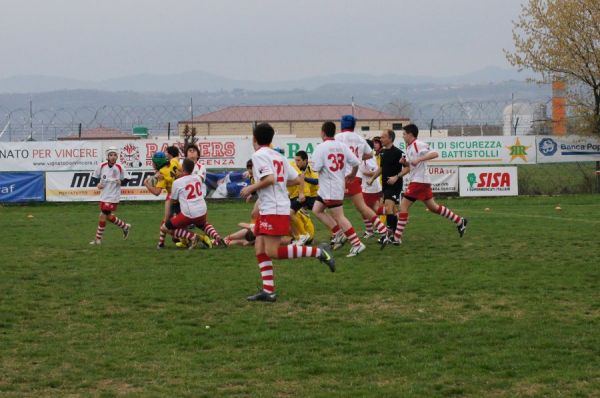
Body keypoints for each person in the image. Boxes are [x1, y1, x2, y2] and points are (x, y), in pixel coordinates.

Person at [240, 123, 335, 303]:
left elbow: (270, 178)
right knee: (259, 248)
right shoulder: (278, 155)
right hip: (272, 207)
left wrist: (251, 187)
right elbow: (295, 178)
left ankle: (319, 252)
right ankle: (269, 292)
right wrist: (280, 185)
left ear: (254, 139)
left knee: (273, 251)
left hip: (273, 208)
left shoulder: (258, 155)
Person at [392, 124, 468, 243]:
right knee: (433, 207)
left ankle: (396, 238)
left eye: (404, 134)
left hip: (419, 181)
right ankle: (460, 221)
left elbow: (435, 153)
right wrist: (405, 162)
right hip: (421, 181)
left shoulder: (418, 144)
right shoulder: (409, 147)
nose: (403, 136)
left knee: (403, 206)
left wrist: (419, 159)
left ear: (410, 134)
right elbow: (413, 165)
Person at [312, 121, 366, 257]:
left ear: (323, 133)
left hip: (330, 187)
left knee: (339, 216)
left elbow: (316, 168)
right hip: (333, 186)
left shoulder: (321, 147)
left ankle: (357, 244)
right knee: (317, 210)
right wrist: (353, 174)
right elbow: (355, 162)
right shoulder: (341, 146)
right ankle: (338, 232)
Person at [335, 115, 389, 248]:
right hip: (356, 176)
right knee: (361, 207)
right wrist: (356, 157)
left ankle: (342, 235)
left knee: (326, 207)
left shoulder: (337, 137)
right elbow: (370, 154)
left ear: (342, 125)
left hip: (343, 177)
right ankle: (382, 230)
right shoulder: (359, 138)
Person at [159, 158, 222, 249]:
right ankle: (217, 237)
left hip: (189, 214)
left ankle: (193, 237)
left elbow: (173, 200)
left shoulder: (177, 182)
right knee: (203, 224)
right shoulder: (197, 178)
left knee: (165, 227)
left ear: (183, 168)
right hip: (203, 210)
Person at [367, 129, 404, 245]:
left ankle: (388, 234)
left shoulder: (398, 152)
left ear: (390, 139)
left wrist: (396, 177)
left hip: (395, 185)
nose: (381, 139)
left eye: (383, 137)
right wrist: (372, 178)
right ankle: (395, 234)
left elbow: (408, 168)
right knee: (391, 211)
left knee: (388, 208)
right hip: (385, 186)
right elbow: (382, 168)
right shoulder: (383, 153)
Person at [89, 146, 131, 245]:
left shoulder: (120, 167)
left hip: (113, 196)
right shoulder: (102, 166)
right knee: (107, 216)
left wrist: (121, 181)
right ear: (107, 156)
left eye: (115, 155)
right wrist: (97, 184)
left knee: (103, 214)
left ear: (117, 157)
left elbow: (128, 179)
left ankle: (98, 240)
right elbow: (94, 177)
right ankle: (124, 227)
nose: (113, 157)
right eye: (111, 155)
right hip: (104, 195)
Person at [359, 140, 383, 238]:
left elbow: (376, 172)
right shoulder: (366, 157)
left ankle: (371, 231)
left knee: (365, 210)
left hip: (370, 188)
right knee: (374, 209)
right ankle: (395, 215)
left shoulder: (369, 158)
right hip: (370, 187)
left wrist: (365, 173)